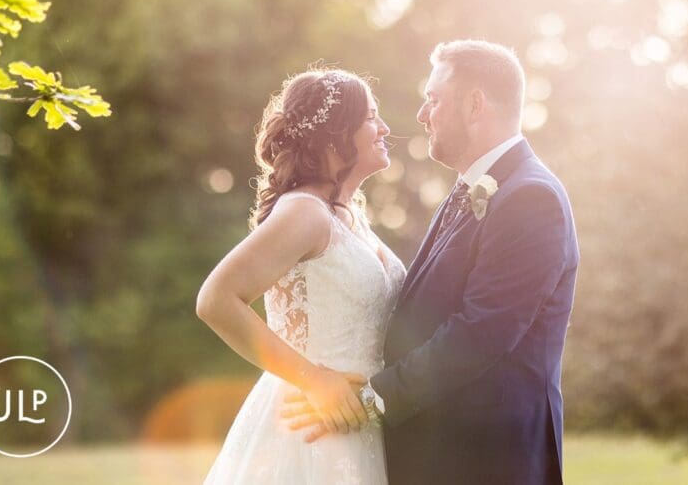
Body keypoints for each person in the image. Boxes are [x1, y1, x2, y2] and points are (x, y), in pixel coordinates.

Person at [285, 40, 580, 484]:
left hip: (489, 462)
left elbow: (481, 332)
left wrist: (370, 399)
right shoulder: (468, 190)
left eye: (433, 99)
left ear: (475, 105)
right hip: (444, 454)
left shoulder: (530, 197)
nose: (423, 114)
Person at [197, 67, 405, 484]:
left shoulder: (350, 216)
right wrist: (314, 381)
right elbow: (216, 299)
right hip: (309, 424)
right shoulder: (304, 211)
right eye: (370, 117)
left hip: (359, 422)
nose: (384, 128)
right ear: (334, 134)